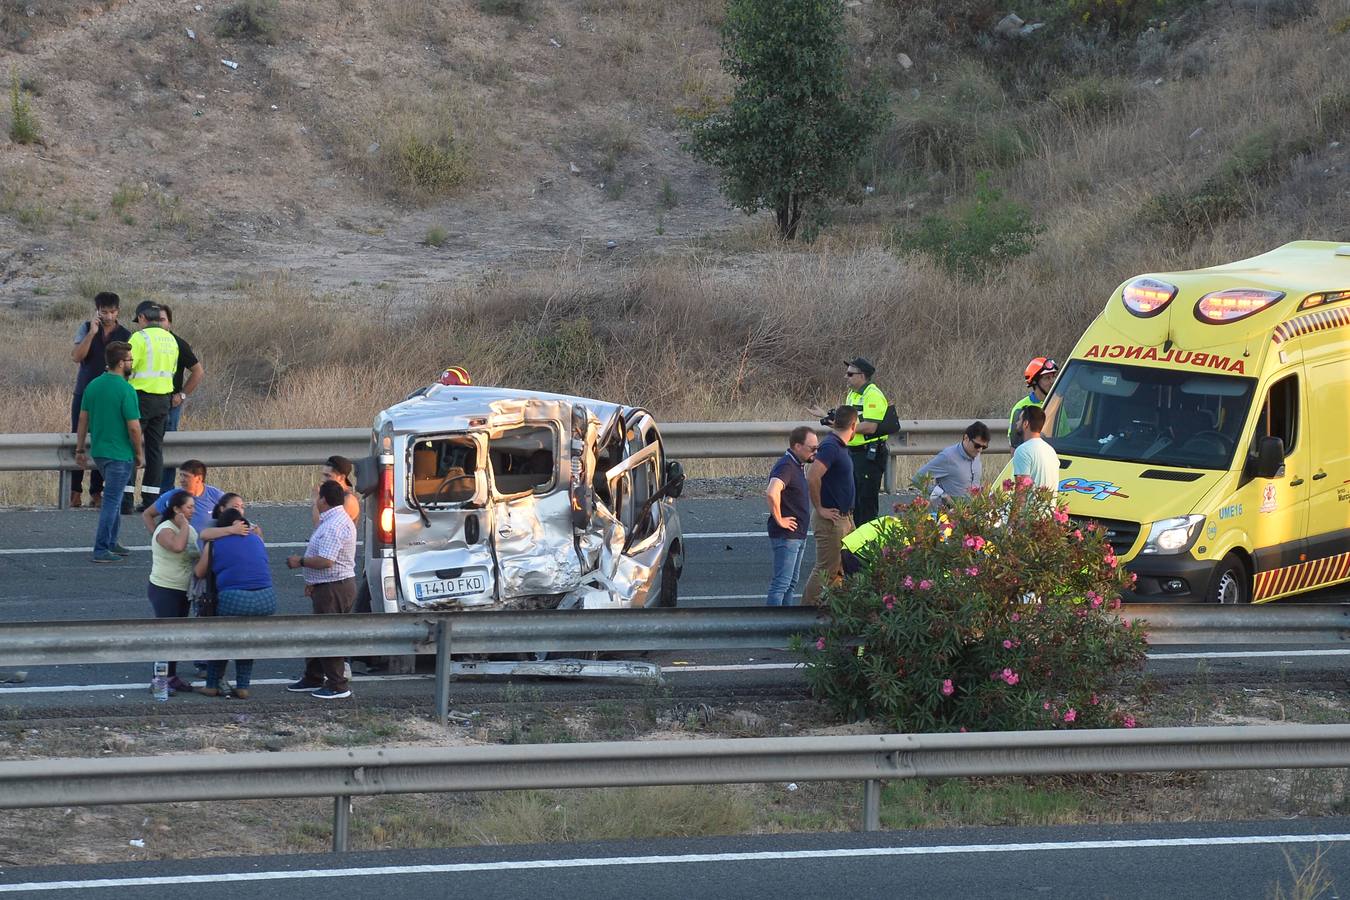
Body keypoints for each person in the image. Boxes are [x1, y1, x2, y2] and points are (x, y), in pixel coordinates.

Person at [286, 480, 359, 700]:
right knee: (319, 633)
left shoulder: (333, 526)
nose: (316, 501)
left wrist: (300, 562)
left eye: (318, 497)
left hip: (333, 588)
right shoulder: (334, 520)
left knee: (328, 635)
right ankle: (314, 677)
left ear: (324, 500)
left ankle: (337, 685)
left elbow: (326, 561)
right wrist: (312, 582)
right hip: (329, 586)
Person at [193, 507, 276, 699]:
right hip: (266, 598)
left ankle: (212, 684)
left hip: (235, 598)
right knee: (247, 639)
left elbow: (199, 572)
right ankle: (243, 686)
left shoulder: (214, 544)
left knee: (221, 638)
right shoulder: (256, 539)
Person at [74, 341, 143, 563]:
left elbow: (83, 419)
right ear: (121, 363)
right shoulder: (126, 389)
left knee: (115, 495)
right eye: (130, 359)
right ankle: (101, 548)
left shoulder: (93, 385)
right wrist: (139, 452)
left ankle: (112, 541)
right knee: (112, 501)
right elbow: (134, 427)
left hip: (101, 451)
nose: (132, 362)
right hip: (120, 453)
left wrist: (80, 447)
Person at [69, 291, 131, 508]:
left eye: (112, 312)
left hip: (111, 395)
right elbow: (77, 357)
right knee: (78, 435)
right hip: (84, 391)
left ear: (118, 311)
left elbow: (127, 365)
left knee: (102, 440)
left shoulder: (125, 333)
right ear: (97, 311)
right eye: (104, 312)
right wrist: (92, 333)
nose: (108, 316)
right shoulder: (86, 328)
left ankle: (97, 491)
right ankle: (74, 490)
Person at [812, 357, 889, 526]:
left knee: (866, 502)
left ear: (862, 376)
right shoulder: (852, 394)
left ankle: (867, 544)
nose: (846, 377)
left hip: (868, 454)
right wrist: (827, 416)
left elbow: (870, 427)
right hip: (852, 452)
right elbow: (847, 421)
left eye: (850, 374)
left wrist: (842, 426)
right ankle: (853, 539)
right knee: (853, 498)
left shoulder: (873, 395)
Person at [125, 302, 179, 513]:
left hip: (140, 397)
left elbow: (128, 365)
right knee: (155, 450)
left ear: (142, 318)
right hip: (163, 400)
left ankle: (126, 499)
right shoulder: (171, 339)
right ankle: (150, 500)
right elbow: (173, 370)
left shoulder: (139, 338)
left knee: (130, 447)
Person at [802, 407, 857, 606]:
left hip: (845, 518)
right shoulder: (831, 446)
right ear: (854, 426)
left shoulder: (839, 445)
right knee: (827, 570)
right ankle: (804, 617)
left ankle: (833, 611)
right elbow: (813, 476)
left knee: (841, 569)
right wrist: (820, 508)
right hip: (831, 520)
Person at [147, 489, 200, 695]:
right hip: (164, 588)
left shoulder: (190, 529)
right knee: (165, 636)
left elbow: (197, 553)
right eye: (189, 507)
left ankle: (171, 676)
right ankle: (158, 681)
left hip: (182, 589)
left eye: (194, 507)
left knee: (176, 635)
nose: (192, 511)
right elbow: (178, 547)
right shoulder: (165, 529)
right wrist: (184, 524)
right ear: (176, 509)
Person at [765, 426, 818, 607]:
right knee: (781, 584)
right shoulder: (786, 466)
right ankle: (772, 626)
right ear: (797, 446)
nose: (815, 452)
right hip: (787, 536)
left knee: (790, 584)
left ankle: (785, 624)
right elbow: (772, 492)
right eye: (812, 448)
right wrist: (780, 519)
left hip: (797, 535)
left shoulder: (797, 465)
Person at [156, 304, 205, 494]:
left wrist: (182, 395)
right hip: (143, 405)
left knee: (167, 449)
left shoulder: (177, 343)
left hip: (170, 406)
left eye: (162, 319)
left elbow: (198, 371)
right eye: (155, 320)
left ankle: (165, 493)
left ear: (169, 322)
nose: (159, 324)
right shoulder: (141, 341)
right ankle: (147, 496)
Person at [141, 459, 226, 541]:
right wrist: (157, 537)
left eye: (185, 476)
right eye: (180, 475)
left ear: (199, 478)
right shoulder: (172, 496)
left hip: (206, 552)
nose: (181, 480)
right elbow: (147, 514)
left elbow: (234, 515)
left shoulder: (216, 495)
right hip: (180, 552)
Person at [913, 421, 990, 504]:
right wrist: (942, 496)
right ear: (966, 438)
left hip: (972, 513)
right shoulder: (948, 457)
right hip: (950, 514)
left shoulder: (976, 454)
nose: (980, 450)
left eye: (984, 447)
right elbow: (917, 480)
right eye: (977, 446)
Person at [1009, 357, 1058, 450]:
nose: (1052, 382)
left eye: (1053, 377)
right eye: (1047, 378)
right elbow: (1014, 446)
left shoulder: (1057, 404)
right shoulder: (1020, 407)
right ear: (1035, 381)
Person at [1012, 406, 1060, 495]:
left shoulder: (1022, 451)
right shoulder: (1051, 451)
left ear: (1026, 424)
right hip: (1048, 508)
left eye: (1019, 420)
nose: (1017, 423)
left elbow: (1021, 493)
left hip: (1031, 509)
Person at [312, 455, 361, 527]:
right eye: (323, 475)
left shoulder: (348, 500)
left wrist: (316, 502)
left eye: (327, 476)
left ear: (341, 477)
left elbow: (321, 526)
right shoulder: (334, 495)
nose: (323, 479)